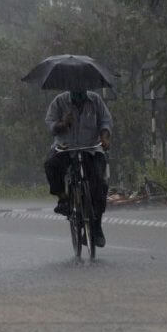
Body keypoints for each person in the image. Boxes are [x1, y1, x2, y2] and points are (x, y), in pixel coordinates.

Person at [43, 88, 112, 247]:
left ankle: (96, 227)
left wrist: (104, 137)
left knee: (100, 185)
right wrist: (63, 124)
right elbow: (51, 125)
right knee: (51, 165)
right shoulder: (59, 101)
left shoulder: (95, 101)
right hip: (65, 148)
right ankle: (63, 199)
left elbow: (106, 121)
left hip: (91, 149)